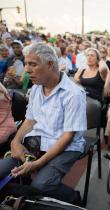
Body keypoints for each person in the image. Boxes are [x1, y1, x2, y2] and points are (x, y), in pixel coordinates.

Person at [0, 43, 87, 204]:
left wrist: (37, 164)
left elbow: (68, 136)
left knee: (41, 186)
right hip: (37, 142)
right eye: (26, 64)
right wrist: (15, 142)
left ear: (49, 65)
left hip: (66, 147)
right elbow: (30, 120)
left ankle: (75, 199)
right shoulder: (35, 89)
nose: (26, 69)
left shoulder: (73, 94)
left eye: (32, 64)